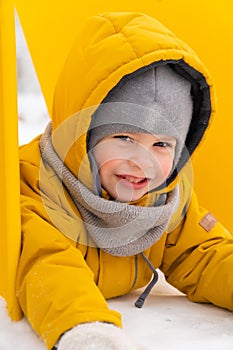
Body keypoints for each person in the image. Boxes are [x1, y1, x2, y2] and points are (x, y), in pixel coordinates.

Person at [17, 11, 233, 350]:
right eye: (124, 138)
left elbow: (204, 254)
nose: (142, 162)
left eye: (162, 144)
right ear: (83, 137)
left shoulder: (163, 199)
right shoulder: (36, 185)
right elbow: (48, 264)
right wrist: (88, 332)